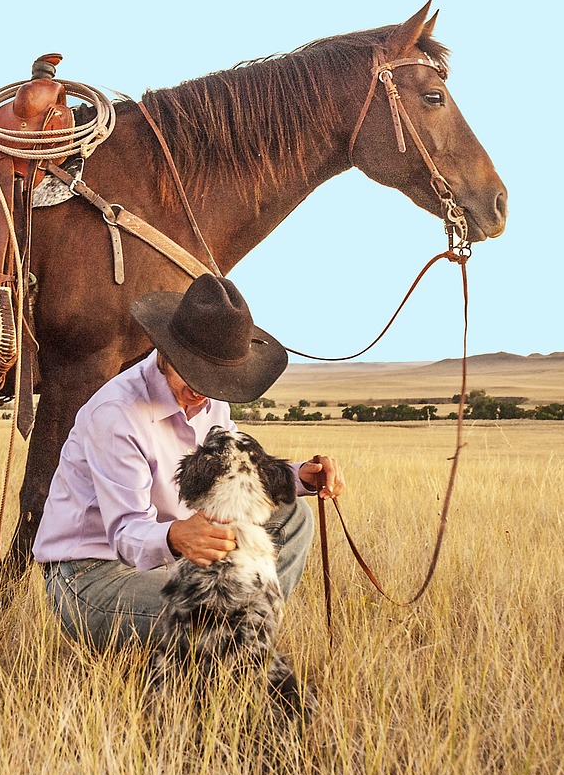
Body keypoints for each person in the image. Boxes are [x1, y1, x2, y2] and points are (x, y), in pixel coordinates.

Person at [33, 274, 345, 650]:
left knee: (294, 517)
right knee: (216, 614)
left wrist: (302, 478)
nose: (201, 391)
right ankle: (229, 649)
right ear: (165, 351)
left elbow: (232, 475)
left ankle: (245, 635)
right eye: (193, 372)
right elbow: (126, 535)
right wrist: (176, 536)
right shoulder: (118, 414)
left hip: (175, 557)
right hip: (92, 575)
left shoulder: (212, 400)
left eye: (215, 379)